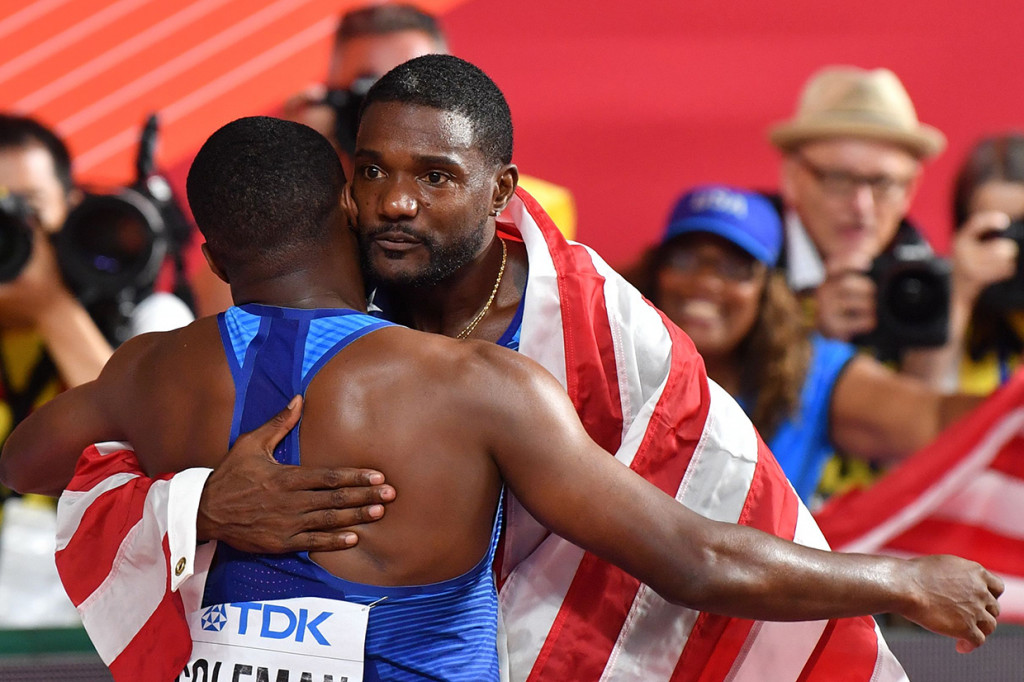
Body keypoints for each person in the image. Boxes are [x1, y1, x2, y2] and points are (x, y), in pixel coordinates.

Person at [0, 58, 1001, 680]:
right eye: (374, 172)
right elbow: (690, 556)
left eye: (433, 177)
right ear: (339, 194)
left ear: (503, 192)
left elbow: (713, 533)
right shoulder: (476, 389)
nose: (395, 201)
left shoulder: (604, 339)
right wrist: (202, 504)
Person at [628, 185, 981, 506]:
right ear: (654, 272)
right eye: (684, 259)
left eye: (734, 267)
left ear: (769, 293)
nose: (704, 281)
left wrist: (1013, 412)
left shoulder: (809, 372)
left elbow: (934, 418)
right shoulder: (611, 357)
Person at [0, 113, 193, 627]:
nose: (14, 231)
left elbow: (156, 449)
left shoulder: (148, 322)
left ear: (71, 207)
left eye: (30, 209)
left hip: (104, 625)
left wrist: (51, 309)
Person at [907, 133, 1024, 395]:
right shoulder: (943, 302)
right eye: (994, 234)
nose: (1010, 249)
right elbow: (915, 405)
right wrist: (957, 294)